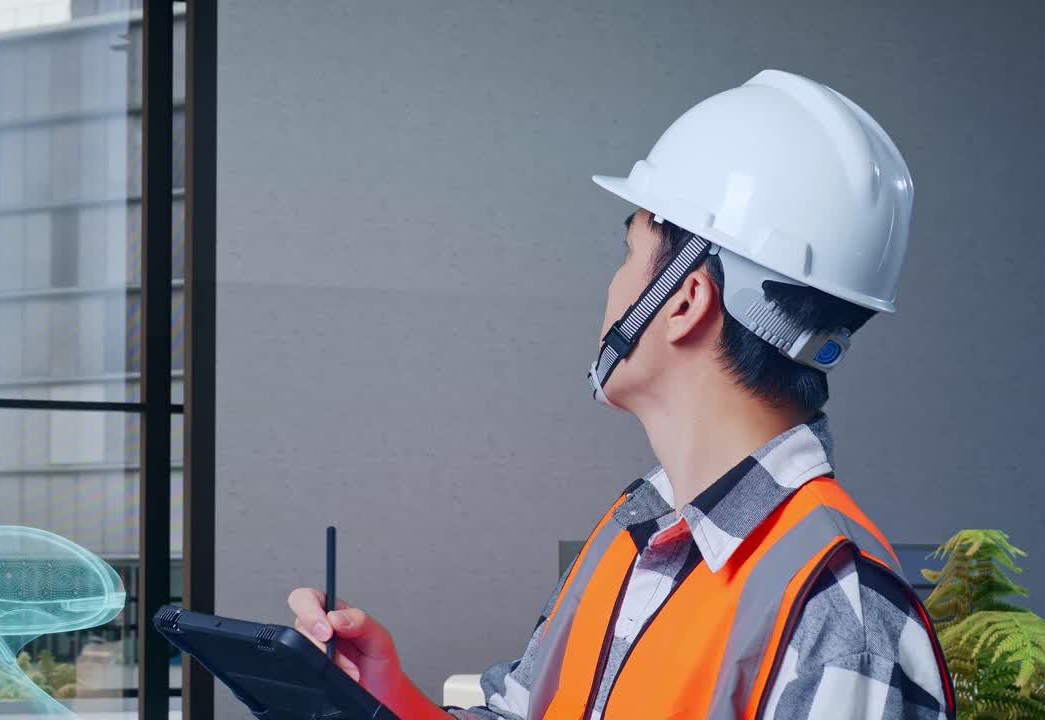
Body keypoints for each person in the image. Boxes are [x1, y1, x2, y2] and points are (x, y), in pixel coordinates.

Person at [288, 69, 955, 719]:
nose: (611, 289)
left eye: (631, 253)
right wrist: (385, 699)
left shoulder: (837, 609)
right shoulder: (638, 532)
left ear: (687, 299)